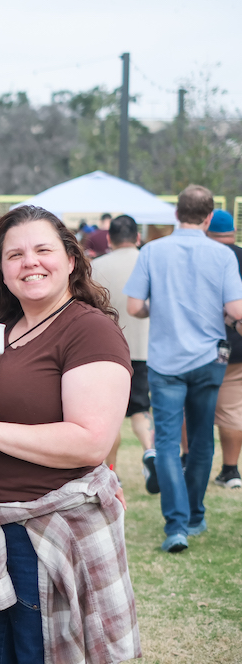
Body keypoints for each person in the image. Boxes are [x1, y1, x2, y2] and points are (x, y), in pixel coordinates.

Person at [0, 205, 139, 663]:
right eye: (15, 255)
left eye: (43, 250)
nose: (30, 262)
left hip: (42, 539)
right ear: (2, 271)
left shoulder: (89, 330)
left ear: (71, 260)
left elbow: (91, 439)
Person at [125, 185, 242, 552]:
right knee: (203, 440)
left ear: (177, 214)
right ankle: (194, 515)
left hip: (165, 361)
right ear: (209, 217)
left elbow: (133, 306)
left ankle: (175, 525)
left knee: (167, 441)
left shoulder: (152, 252)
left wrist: (153, 308)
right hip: (209, 360)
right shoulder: (223, 256)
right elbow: (237, 311)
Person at [91, 214, 157, 491]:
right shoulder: (150, 263)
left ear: (109, 238)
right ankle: (149, 451)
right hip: (144, 346)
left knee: (111, 414)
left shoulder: (94, 267)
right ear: (138, 238)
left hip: (106, 349)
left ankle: (112, 470)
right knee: (141, 408)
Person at [207, 209, 242, 489]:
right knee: (231, 409)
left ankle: (185, 460)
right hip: (237, 348)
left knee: (188, 405)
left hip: (200, 346)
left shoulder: (203, 257)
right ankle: (230, 471)